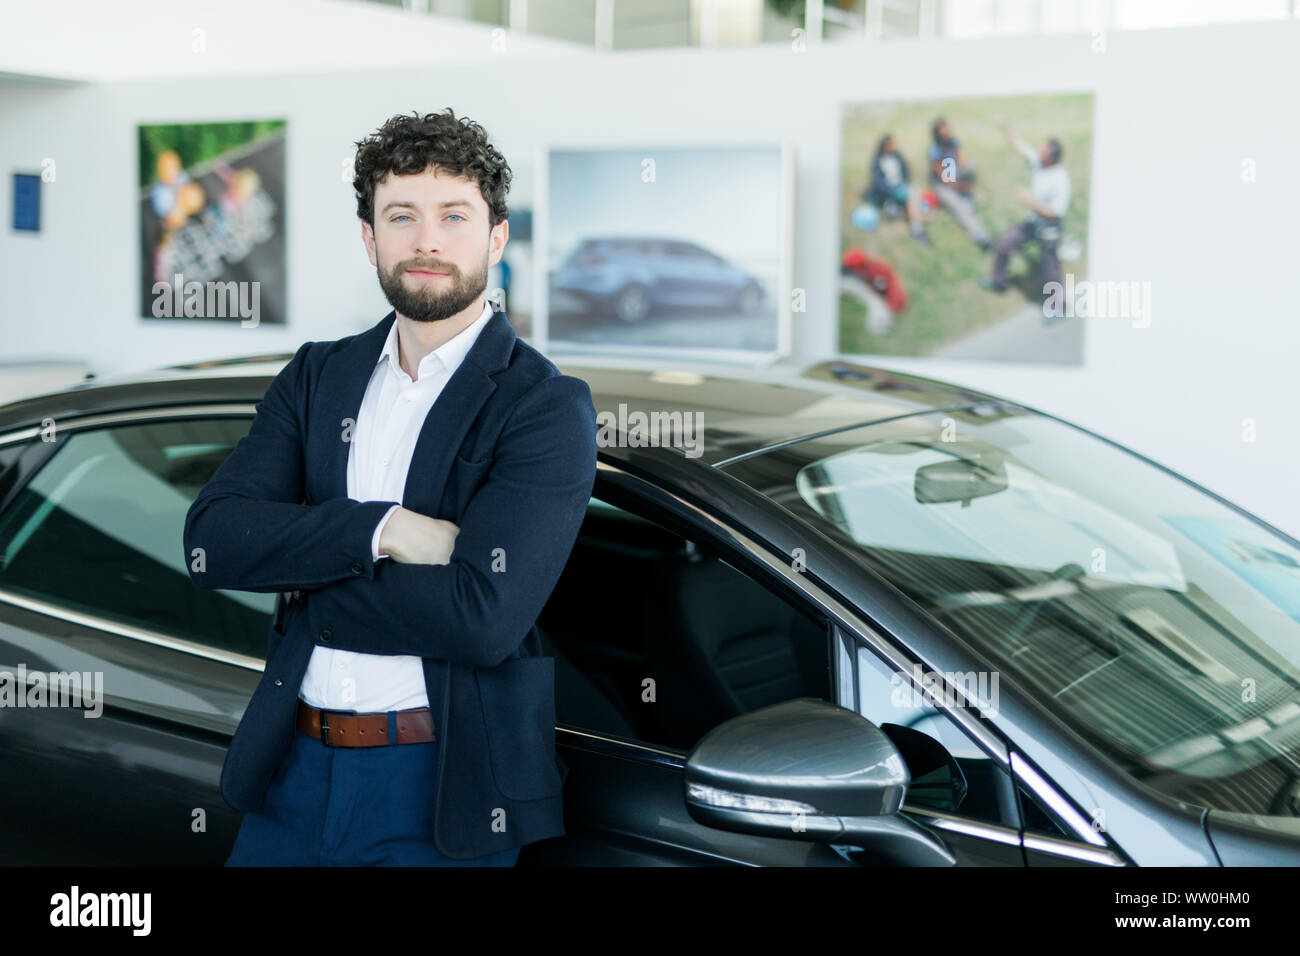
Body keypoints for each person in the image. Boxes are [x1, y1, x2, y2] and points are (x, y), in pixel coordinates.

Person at [184, 108, 598, 866]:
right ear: (371, 239)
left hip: (440, 790)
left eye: (454, 216)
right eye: (401, 216)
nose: (427, 240)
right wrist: (386, 530)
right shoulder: (316, 376)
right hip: (291, 772)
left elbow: (482, 620)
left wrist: (305, 577)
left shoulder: (542, 405)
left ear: (496, 237)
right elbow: (213, 542)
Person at [980, 121, 1071, 300]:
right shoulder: (1039, 163)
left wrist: (1031, 202)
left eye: (1042, 150)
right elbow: (1021, 147)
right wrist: (1004, 129)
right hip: (1034, 222)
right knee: (1004, 244)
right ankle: (999, 282)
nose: (1038, 151)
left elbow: (1056, 213)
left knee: (1051, 269)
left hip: (1049, 230)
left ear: (1050, 158)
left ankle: (1057, 308)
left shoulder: (1060, 180)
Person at [927, 117, 991, 248]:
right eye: (942, 129)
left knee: (971, 167)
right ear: (937, 132)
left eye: (946, 127)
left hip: (953, 173)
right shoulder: (934, 150)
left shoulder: (954, 142)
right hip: (942, 183)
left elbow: (962, 162)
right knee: (959, 207)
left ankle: (965, 196)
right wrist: (961, 187)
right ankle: (980, 235)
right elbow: (944, 178)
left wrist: (965, 181)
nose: (945, 131)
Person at [863, 134, 931, 245]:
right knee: (914, 197)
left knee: (921, 203)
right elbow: (878, 182)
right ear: (884, 146)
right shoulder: (878, 160)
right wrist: (891, 190)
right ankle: (917, 230)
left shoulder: (898, 156)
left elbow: (906, 173)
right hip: (890, 189)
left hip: (902, 186)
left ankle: (899, 211)